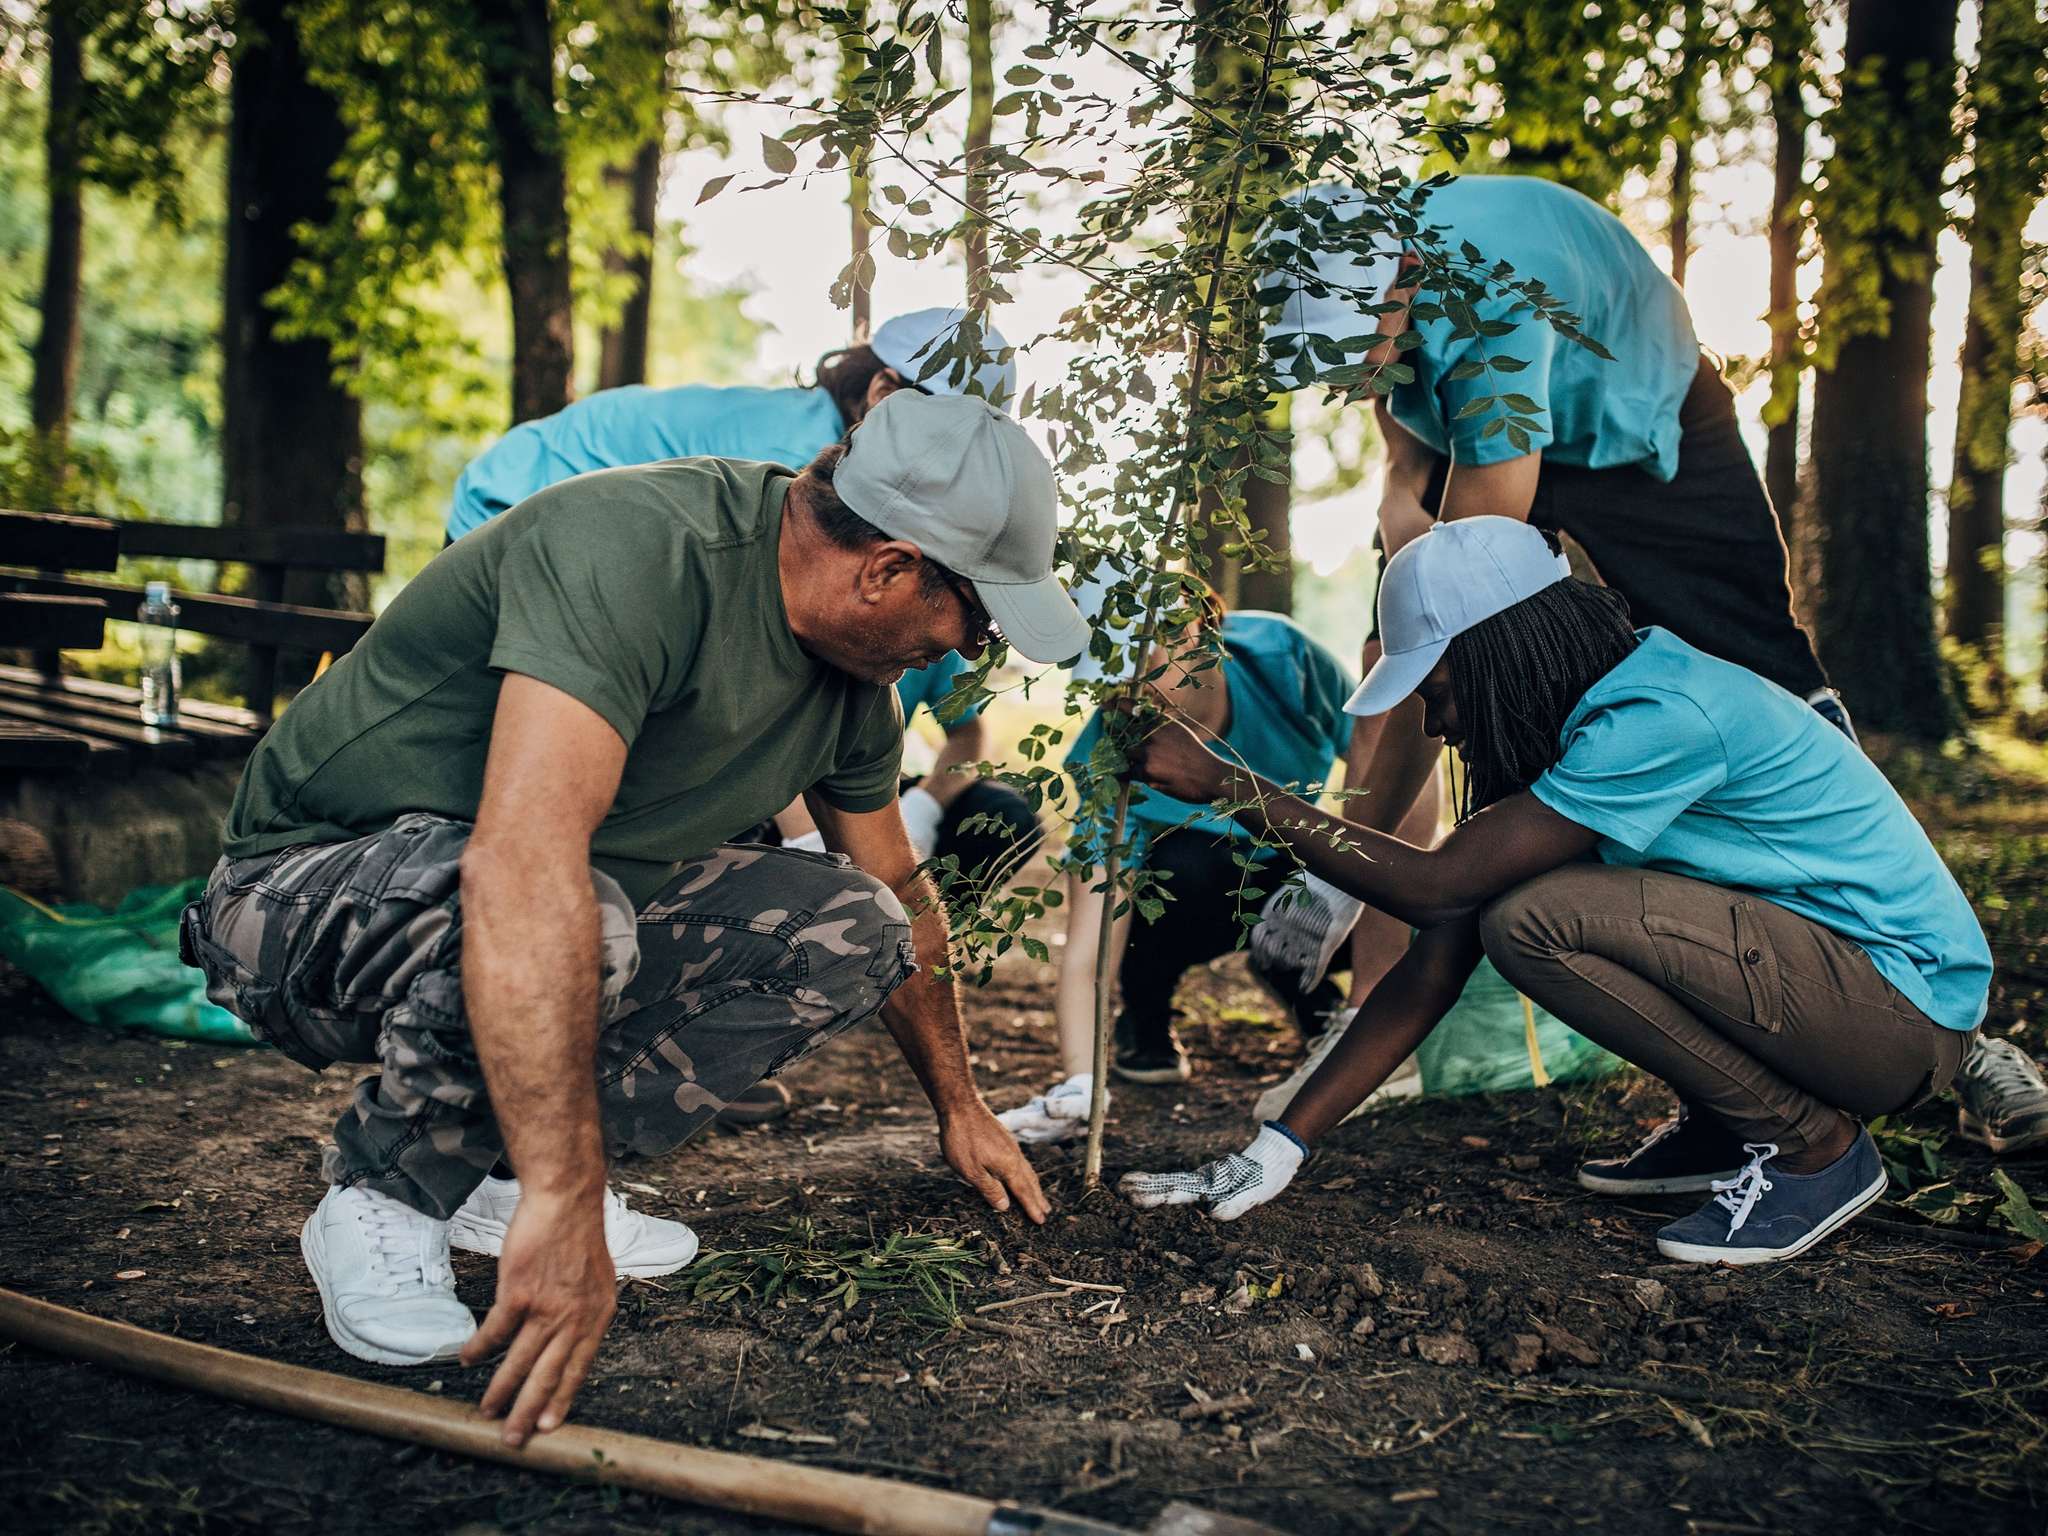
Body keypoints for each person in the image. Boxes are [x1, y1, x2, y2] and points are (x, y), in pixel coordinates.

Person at [182, 392, 1087, 1448]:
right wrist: (570, 1204)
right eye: (971, 620)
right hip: (297, 906)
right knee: (580, 914)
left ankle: (487, 1173)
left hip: (546, 911)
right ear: (887, 568)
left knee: (853, 926)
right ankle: (384, 1198)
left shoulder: (852, 695)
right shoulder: (639, 549)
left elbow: (904, 899)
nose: (968, 651)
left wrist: (960, 1105)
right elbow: (524, 867)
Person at [1117, 517, 1991, 1267]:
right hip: (1837, 997)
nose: (1435, 724)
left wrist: (1236, 786)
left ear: (1502, 656)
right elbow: (1437, 950)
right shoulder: (1590, 729)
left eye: (1441, 692)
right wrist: (1279, 1147)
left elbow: (1434, 886)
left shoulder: (1658, 716)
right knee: (1516, 913)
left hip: (1897, 1016)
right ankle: (1733, 1123)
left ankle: (1814, 1150)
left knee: (1537, 920)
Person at [1256, 175, 1855, 1057]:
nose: (1351, 375)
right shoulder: (1382, 300)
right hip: (1498, 419)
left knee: (1755, 664)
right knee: (1401, 636)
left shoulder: (1490, 303)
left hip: (1643, 414)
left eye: (1358, 347)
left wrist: (1343, 877)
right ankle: (1382, 1007)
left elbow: (1462, 621)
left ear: (1409, 276)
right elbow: (1415, 616)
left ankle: (1866, 936)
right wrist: (1397, 502)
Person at [445, 307, 1043, 1120]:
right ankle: (559, 1060)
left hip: (600, 552)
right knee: (644, 795)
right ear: (881, 390)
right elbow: (756, 684)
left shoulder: (877, 502)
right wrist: (812, 845)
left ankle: (643, 1039)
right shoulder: (811, 481)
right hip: (513, 508)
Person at [998, 591, 1354, 1144]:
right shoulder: (1110, 755)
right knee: (1181, 866)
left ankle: (1317, 996)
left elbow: (1394, 763)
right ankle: (1146, 1010)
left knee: (1377, 885)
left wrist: (1351, 886)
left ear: (1190, 632)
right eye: (1105, 684)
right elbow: (1089, 950)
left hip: (1300, 867)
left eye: (1136, 672)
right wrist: (1079, 1083)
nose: (1124, 700)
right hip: (1192, 897)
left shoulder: (1285, 657)